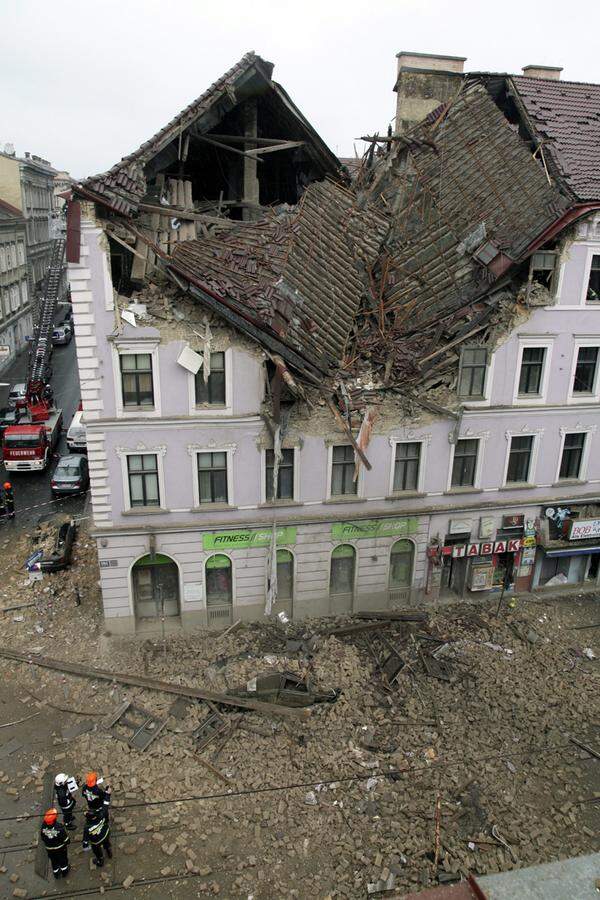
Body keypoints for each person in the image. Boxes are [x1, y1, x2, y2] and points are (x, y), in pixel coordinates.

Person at [40, 808, 70, 879]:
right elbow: (66, 839)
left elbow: (42, 838)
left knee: (54, 861)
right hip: (60, 848)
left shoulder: (43, 826)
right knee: (63, 860)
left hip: (49, 849)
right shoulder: (59, 828)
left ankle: (56, 873)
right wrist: (67, 842)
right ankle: (64, 871)